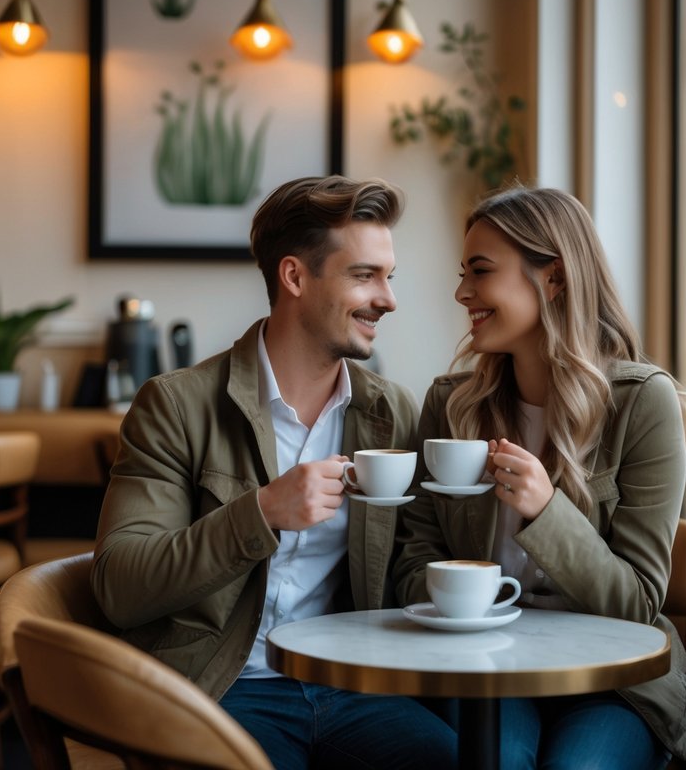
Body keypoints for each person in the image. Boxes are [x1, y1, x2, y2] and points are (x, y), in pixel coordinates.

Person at [92, 175, 458, 769]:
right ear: (294, 277)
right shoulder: (175, 404)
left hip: (354, 688)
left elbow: (414, 563)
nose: (388, 299)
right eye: (365, 276)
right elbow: (119, 586)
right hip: (220, 689)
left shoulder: (392, 413)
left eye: (389, 278)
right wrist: (260, 512)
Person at [393, 186, 686, 769]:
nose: (462, 293)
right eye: (464, 274)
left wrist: (546, 510)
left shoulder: (641, 403)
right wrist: (461, 610)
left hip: (612, 683)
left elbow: (637, 604)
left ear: (552, 279)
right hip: (485, 671)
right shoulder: (450, 408)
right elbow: (413, 559)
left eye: (480, 272)